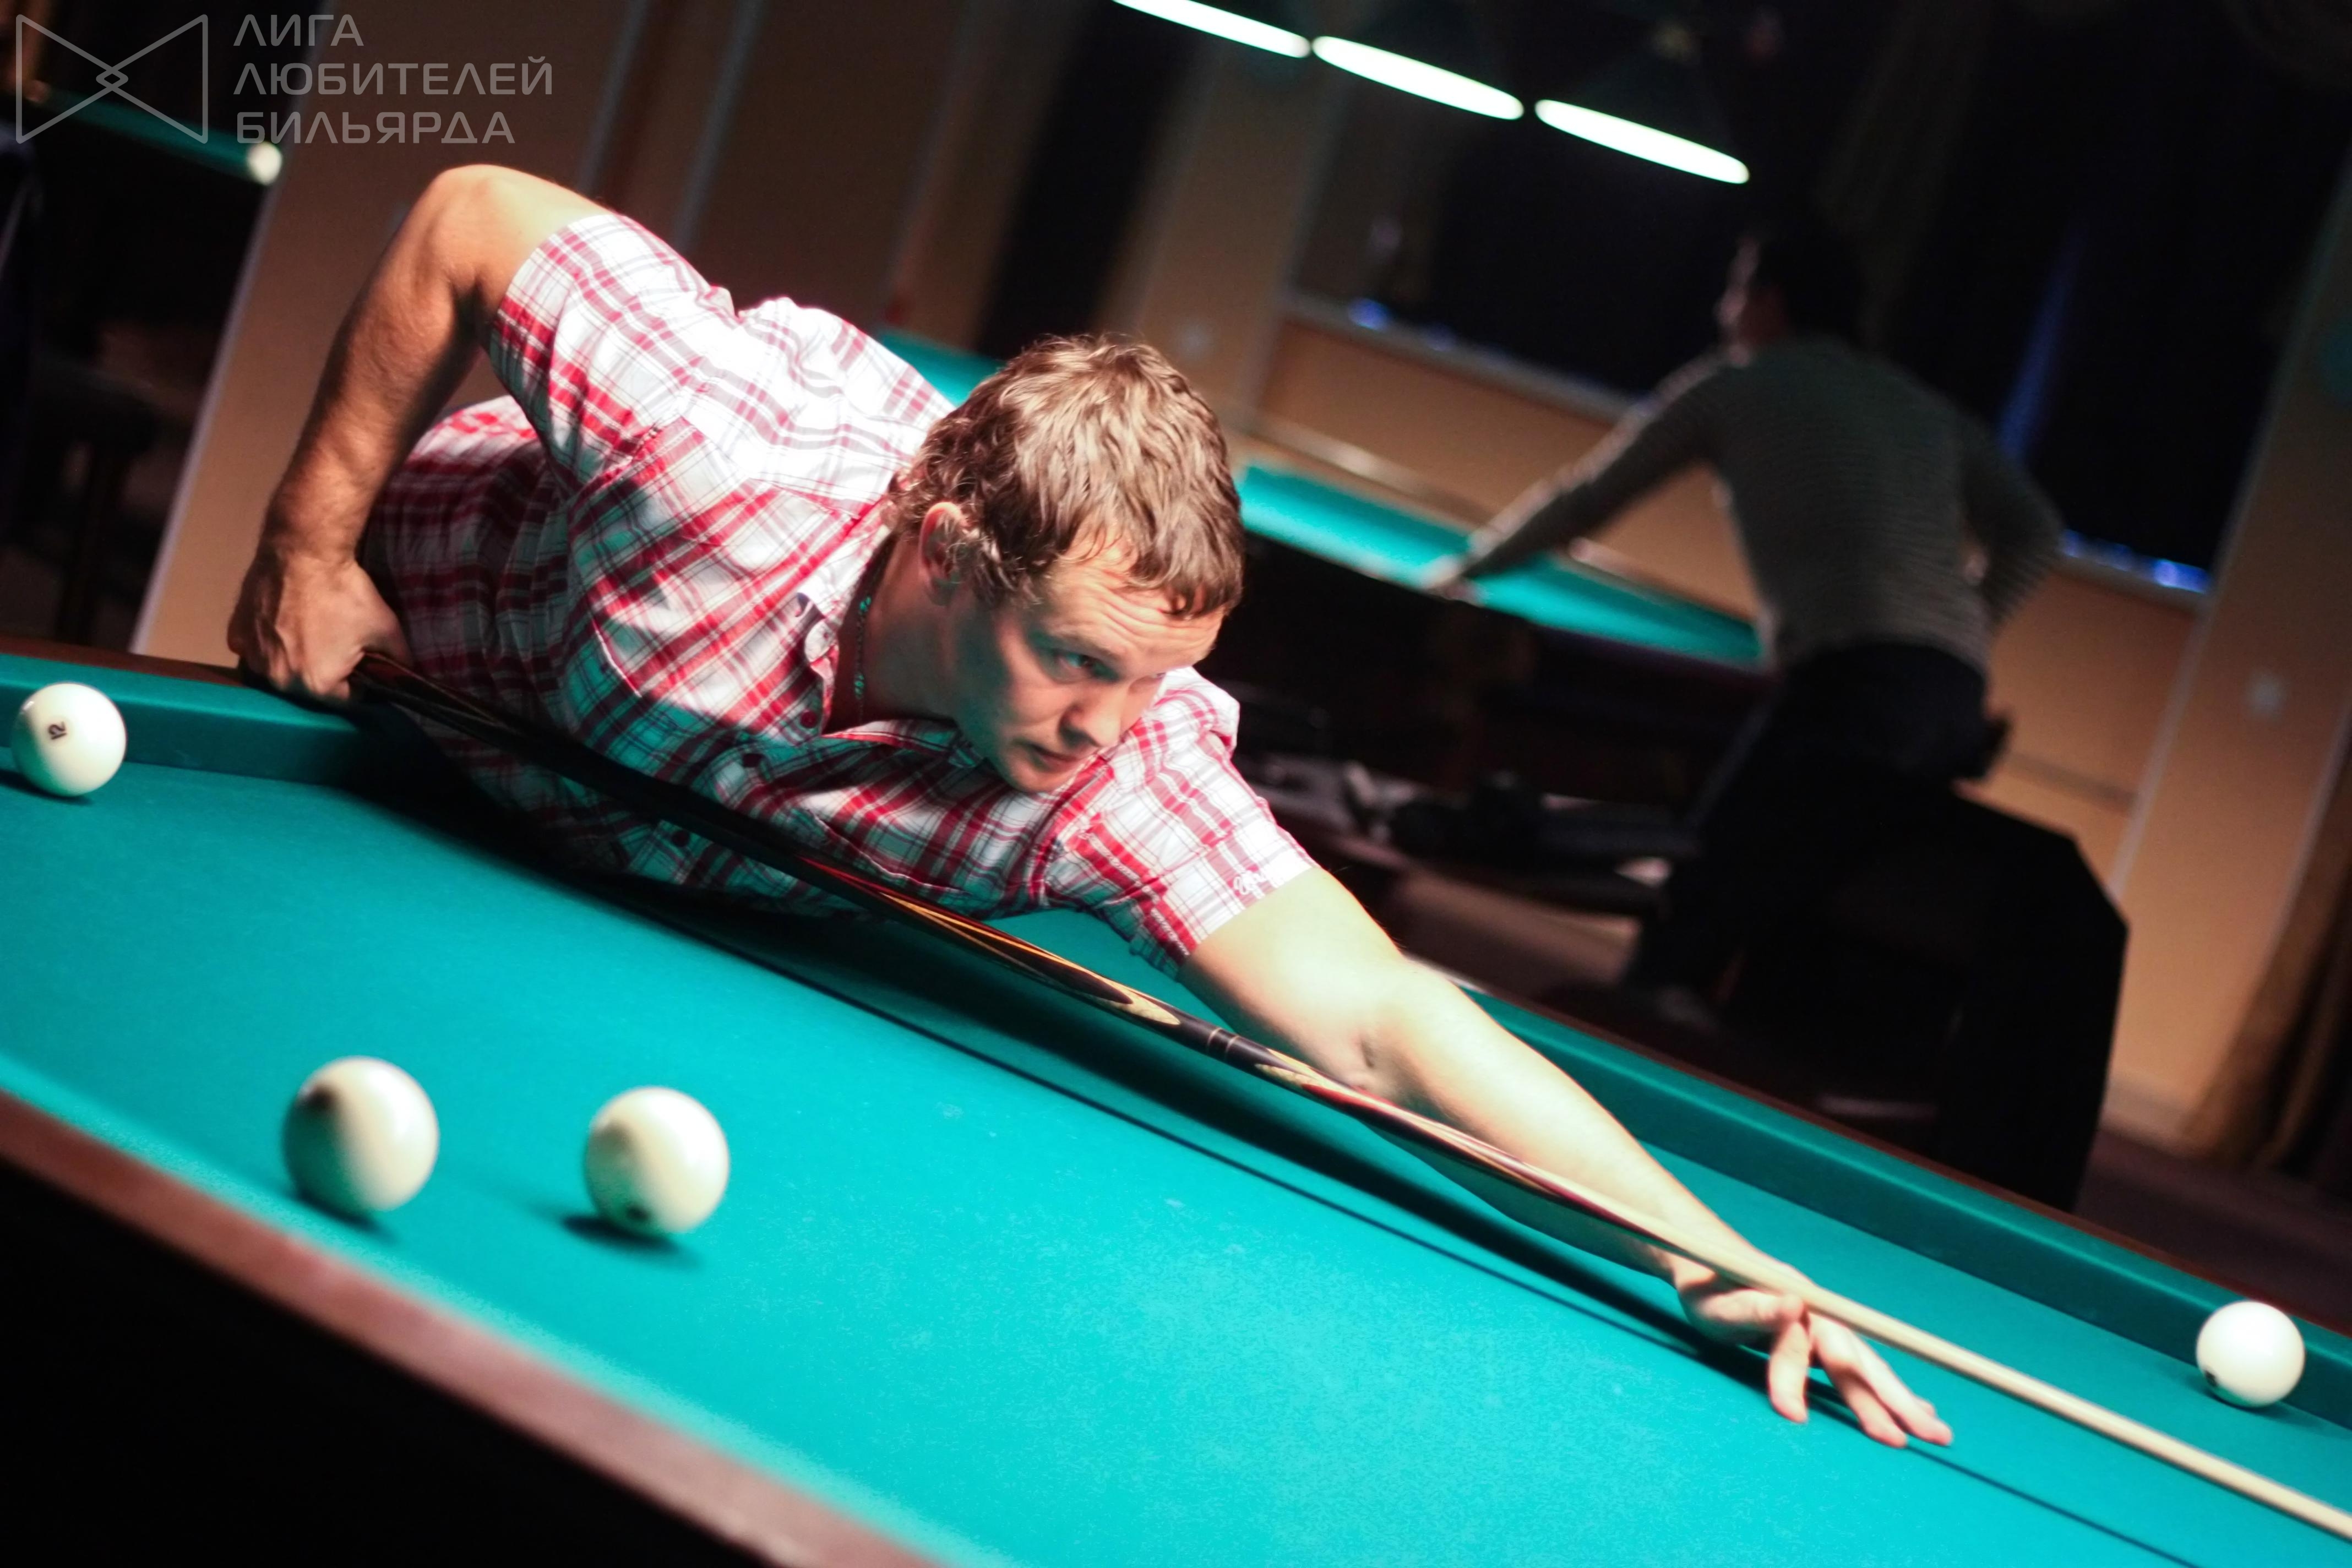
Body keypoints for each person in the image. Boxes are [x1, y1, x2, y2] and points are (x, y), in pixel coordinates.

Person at [228, 165, 1946, 1447]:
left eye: (1155, 676)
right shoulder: (714, 449)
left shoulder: (1112, 766)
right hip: (431, 642)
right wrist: (309, 542)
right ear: (950, 561)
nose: (1110, 727)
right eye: (1078, 661)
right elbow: (468, 217)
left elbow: (1383, 1020)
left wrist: (1705, 1259)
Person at [1435, 222, 2064, 1006]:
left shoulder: (1736, 384)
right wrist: (1964, 628)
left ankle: (1627, 1041)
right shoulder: (1922, 406)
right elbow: (2038, 533)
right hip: (1954, 698)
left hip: (1860, 686)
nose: (1724, 309)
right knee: (1806, 920)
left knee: (1699, 897)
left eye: (1735, 289)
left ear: (1770, 301)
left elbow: (1588, 500)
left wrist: (1465, 571)